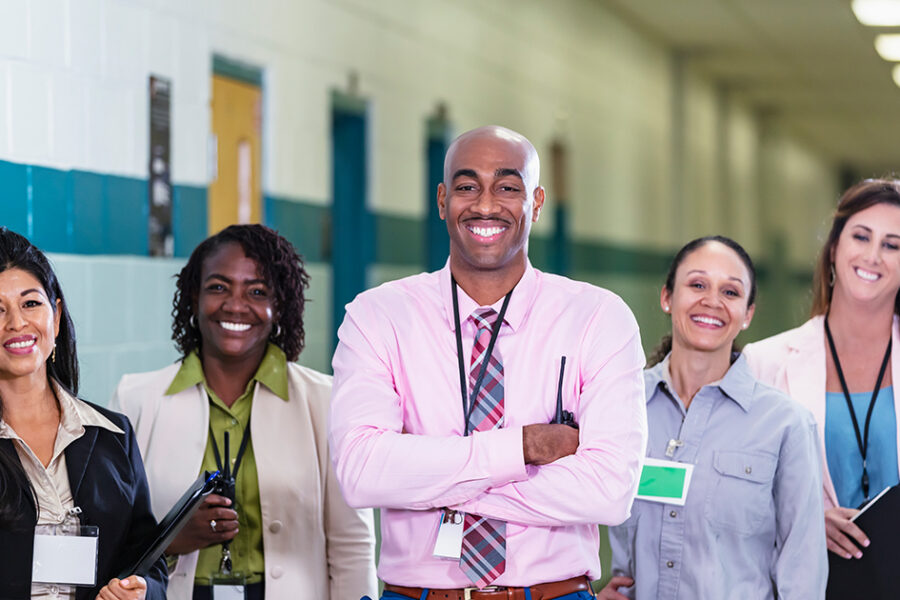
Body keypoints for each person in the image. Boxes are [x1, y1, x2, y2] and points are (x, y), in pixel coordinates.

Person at [329, 125, 648, 599]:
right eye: (466, 186)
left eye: (507, 187)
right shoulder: (377, 317)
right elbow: (360, 474)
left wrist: (428, 477)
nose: (484, 204)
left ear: (536, 203)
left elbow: (609, 491)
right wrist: (521, 448)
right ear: (442, 201)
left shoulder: (598, 319)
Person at [113, 224, 377, 600]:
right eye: (218, 287)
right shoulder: (135, 400)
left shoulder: (325, 401)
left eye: (257, 291)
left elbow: (352, 543)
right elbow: (112, 541)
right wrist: (171, 540)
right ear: (193, 296)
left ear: (280, 304)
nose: (235, 305)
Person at [599, 236, 826, 600]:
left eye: (731, 292)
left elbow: (803, 572)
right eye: (698, 284)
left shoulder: (786, 425)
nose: (712, 301)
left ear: (748, 314)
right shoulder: (620, 406)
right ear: (667, 297)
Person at [0, 228, 166, 600]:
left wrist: (142, 591)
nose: (16, 324)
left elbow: (148, 561)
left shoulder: (112, 434)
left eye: (31, 304)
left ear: (55, 317)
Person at [743, 178, 900, 563]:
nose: (873, 256)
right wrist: (802, 519)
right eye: (861, 237)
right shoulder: (763, 362)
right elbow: (733, 493)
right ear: (833, 248)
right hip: (810, 580)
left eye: (892, 245)